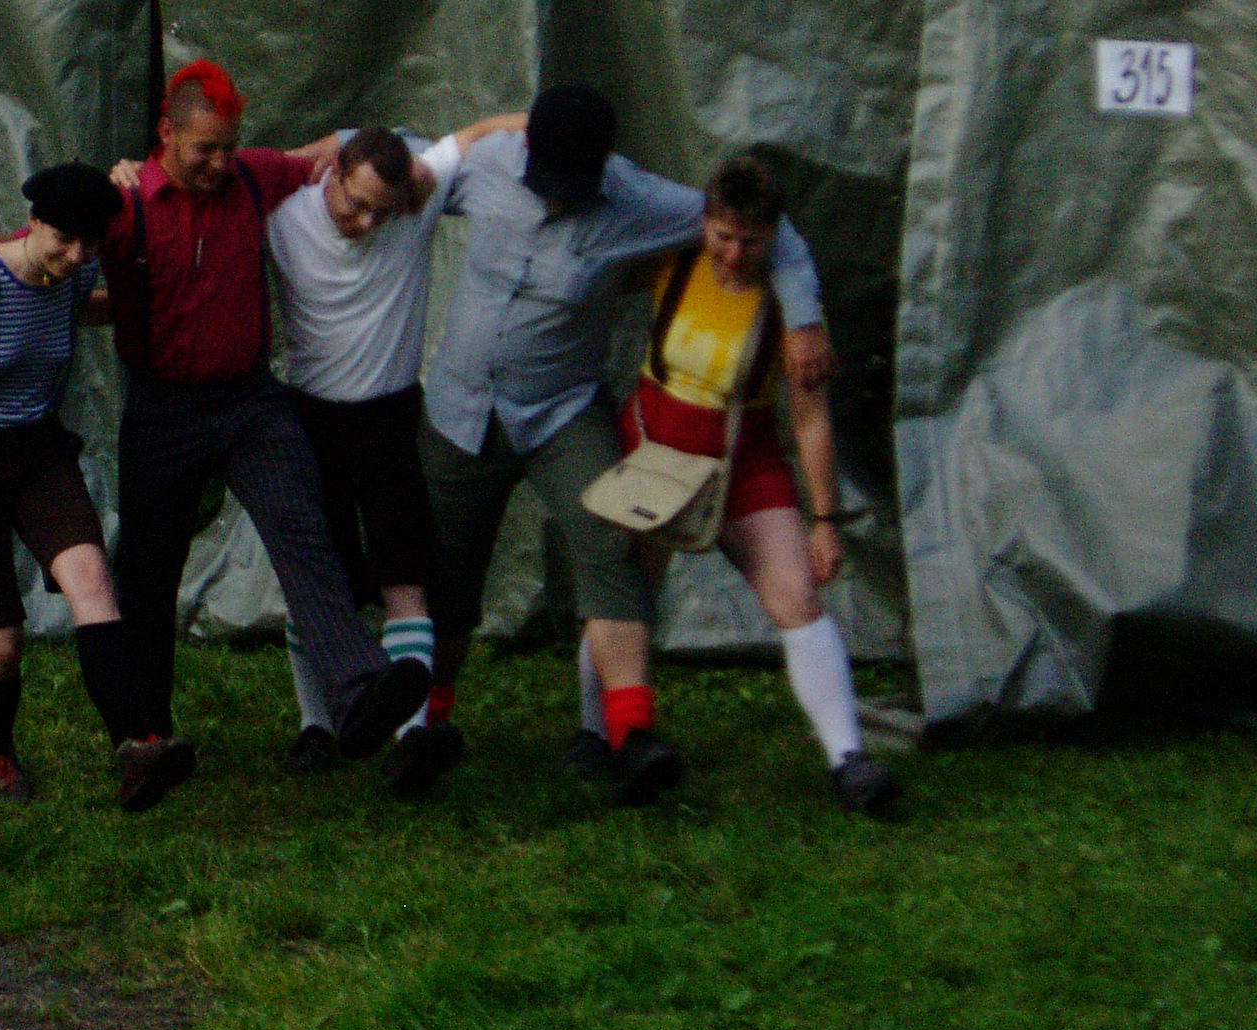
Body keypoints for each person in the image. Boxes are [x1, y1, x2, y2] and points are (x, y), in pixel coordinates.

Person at [0, 61, 431, 766]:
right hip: (163, 408)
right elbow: (37, 243)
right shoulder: (124, 203)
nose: (221, 162)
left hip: (251, 402)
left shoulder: (255, 177)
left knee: (303, 529)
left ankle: (359, 691)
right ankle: (149, 732)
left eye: (230, 146)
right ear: (167, 133)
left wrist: (414, 161)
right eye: (206, 148)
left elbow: (335, 151)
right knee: (148, 573)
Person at [418, 83, 833, 805]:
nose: (560, 196)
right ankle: (428, 723)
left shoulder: (638, 199)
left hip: (560, 412)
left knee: (613, 541)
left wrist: (802, 316)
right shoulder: (487, 164)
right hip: (460, 411)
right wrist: (315, 163)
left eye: (576, 183)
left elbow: (761, 224)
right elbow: (400, 168)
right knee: (446, 576)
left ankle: (631, 735)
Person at [574, 154, 901, 817]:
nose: (732, 254)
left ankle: (849, 762)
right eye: (723, 236)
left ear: (774, 236)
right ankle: (597, 737)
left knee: (798, 598)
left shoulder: (794, 310)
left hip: (742, 461)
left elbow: (810, 420)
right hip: (655, 451)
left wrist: (825, 520)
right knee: (622, 594)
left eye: (750, 242)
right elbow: (592, 273)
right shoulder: (673, 256)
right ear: (706, 223)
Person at [0, 162, 192, 812]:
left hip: (38, 452)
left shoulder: (75, 275)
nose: (77, 255)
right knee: (2, 646)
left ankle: (136, 746)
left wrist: (163, 298)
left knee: (92, 581)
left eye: (89, 243)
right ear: (32, 222)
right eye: (64, 238)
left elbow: (82, 306)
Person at [258, 116, 522, 793]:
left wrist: (538, 124)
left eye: (383, 210)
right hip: (312, 417)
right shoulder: (283, 211)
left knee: (407, 580)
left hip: (392, 418)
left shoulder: (416, 195)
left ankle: (411, 740)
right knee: (318, 582)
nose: (368, 223)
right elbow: (192, 180)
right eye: (356, 205)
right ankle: (316, 726)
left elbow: (483, 132)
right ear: (334, 172)